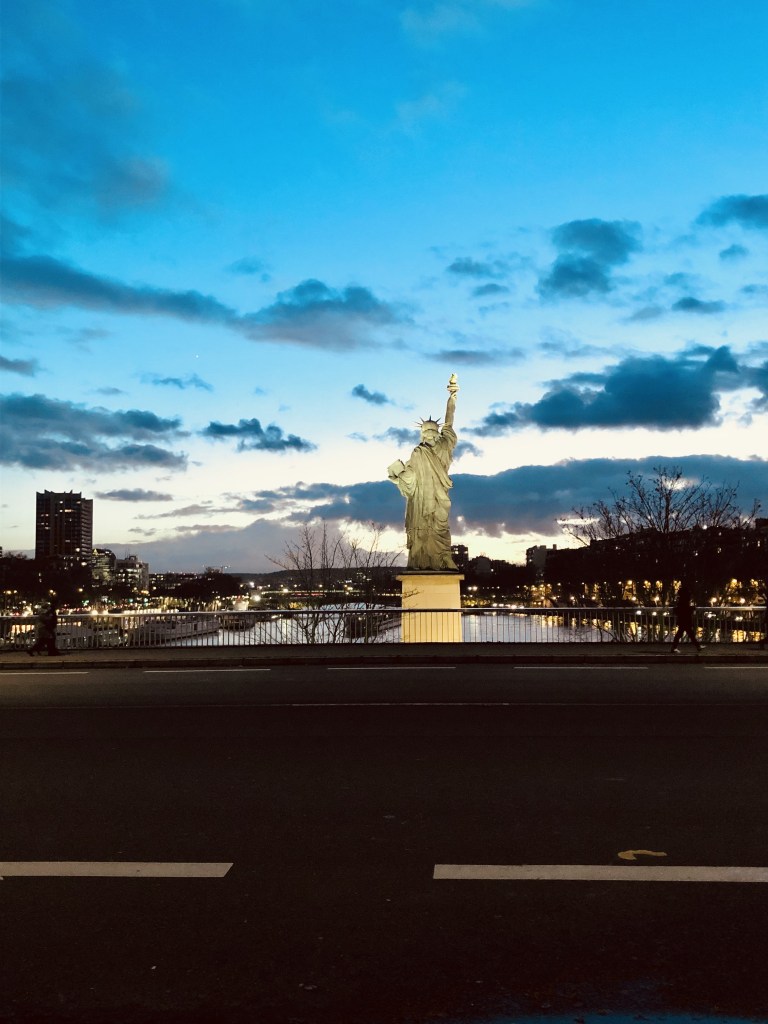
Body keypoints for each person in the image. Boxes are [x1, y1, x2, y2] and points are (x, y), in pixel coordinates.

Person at [388, 374, 460, 571]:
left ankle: (444, 559)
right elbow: (411, 478)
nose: (429, 434)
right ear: (422, 434)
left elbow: (449, 423)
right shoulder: (418, 453)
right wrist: (399, 476)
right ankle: (419, 561)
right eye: (426, 431)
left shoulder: (445, 445)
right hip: (420, 500)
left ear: (438, 433)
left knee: (440, 526)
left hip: (439, 496)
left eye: (432, 431)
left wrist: (452, 398)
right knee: (421, 529)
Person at [671, 585, 704, 653]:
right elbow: (686, 609)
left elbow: (679, 610)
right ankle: (698, 646)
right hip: (686, 620)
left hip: (682, 620)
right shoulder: (685, 601)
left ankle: (698, 646)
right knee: (688, 634)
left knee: (683, 634)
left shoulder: (681, 600)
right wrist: (692, 608)